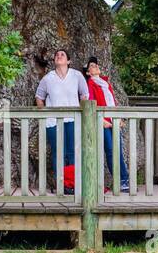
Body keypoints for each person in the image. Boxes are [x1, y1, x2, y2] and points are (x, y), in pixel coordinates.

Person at [35, 49, 88, 193]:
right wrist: (45, 113)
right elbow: (39, 97)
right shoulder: (48, 78)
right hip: (53, 121)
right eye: (57, 55)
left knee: (72, 152)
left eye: (62, 55)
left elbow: (85, 95)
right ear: (54, 61)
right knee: (58, 152)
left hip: (73, 119)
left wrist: (81, 111)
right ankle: (61, 185)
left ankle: (72, 184)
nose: (59, 56)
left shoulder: (76, 75)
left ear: (68, 61)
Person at [85, 58, 130, 192]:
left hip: (114, 119)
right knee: (110, 150)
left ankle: (124, 179)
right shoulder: (90, 84)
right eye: (92, 66)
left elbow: (112, 101)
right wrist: (101, 120)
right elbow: (91, 102)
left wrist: (119, 117)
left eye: (96, 65)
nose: (96, 66)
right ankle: (119, 180)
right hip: (102, 121)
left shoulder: (105, 83)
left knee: (118, 150)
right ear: (88, 72)